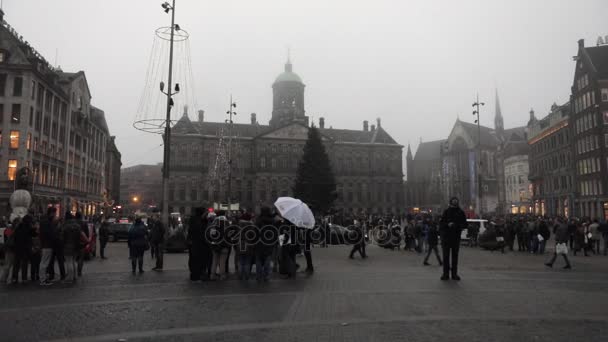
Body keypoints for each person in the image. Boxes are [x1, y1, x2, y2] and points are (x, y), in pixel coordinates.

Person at [439, 197, 467, 281]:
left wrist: (456, 225)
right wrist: (448, 224)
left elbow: (465, 224)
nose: (455, 202)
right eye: (453, 201)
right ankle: (445, 274)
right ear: (451, 202)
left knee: (455, 257)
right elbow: (441, 224)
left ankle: (454, 274)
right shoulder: (446, 211)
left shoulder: (461, 212)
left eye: (456, 201)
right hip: (446, 238)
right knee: (446, 257)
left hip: (455, 237)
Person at [255, 207, 278, 282]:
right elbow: (275, 233)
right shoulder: (272, 221)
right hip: (269, 243)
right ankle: (266, 276)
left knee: (258, 260)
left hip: (259, 242)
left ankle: (259, 276)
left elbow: (254, 232)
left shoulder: (258, 220)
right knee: (267, 259)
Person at [38, 208, 58, 285]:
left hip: (45, 244)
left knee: (44, 262)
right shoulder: (47, 222)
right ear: (52, 213)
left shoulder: (45, 221)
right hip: (47, 244)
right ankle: (43, 280)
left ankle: (43, 278)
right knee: (44, 262)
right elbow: (49, 233)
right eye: (55, 213)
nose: (55, 215)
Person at [209, 210, 230, 280]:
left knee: (214, 260)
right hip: (224, 244)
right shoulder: (227, 222)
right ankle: (222, 276)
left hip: (215, 244)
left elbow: (212, 234)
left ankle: (212, 275)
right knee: (222, 261)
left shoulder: (214, 222)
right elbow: (229, 234)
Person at [62, 212, 83, 283]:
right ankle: (75, 276)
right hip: (76, 245)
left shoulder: (65, 226)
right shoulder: (77, 226)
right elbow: (80, 236)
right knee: (74, 261)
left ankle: (69, 278)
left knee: (69, 262)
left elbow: (62, 236)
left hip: (67, 245)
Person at [12, 215, 34, 283]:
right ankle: (24, 278)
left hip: (18, 248)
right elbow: (32, 236)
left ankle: (14, 278)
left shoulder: (18, 227)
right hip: (25, 248)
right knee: (24, 264)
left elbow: (15, 237)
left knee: (16, 263)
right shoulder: (28, 227)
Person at [187, 208, 204, 280]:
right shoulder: (199, 221)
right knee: (197, 259)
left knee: (192, 258)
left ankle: (193, 274)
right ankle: (196, 275)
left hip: (191, 242)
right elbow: (199, 232)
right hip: (197, 243)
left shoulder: (192, 219)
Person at [0, 218, 17, 284]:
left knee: (8, 264)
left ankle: (4, 278)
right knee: (8, 264)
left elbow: (6, 237)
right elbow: (9, 238)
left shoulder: (9, 229)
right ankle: (3, 278)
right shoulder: (12, 230)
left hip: (9, 248)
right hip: (11, 249)